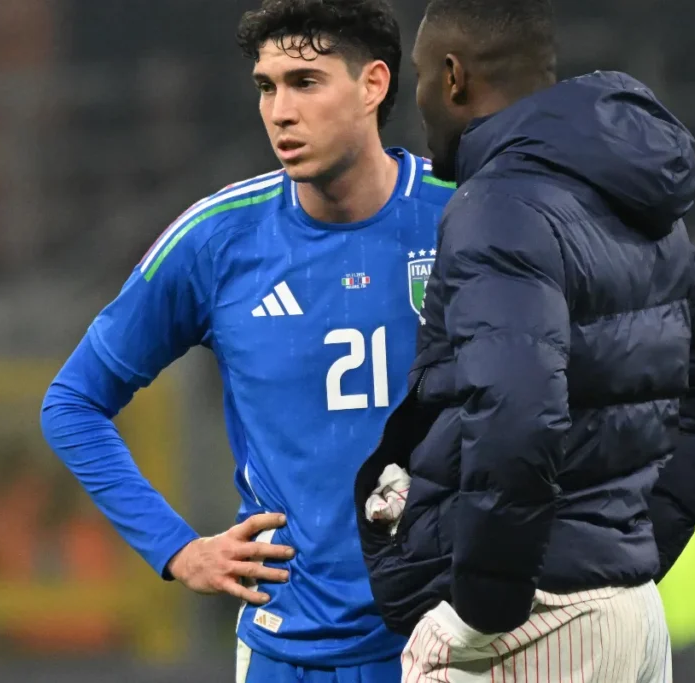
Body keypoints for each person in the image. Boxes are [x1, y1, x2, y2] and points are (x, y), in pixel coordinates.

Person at [353, 0, 695, 681]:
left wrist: (484, 607)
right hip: (630, 613)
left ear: (453, 77)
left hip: (531, 622)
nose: (417, 100)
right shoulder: (626, 194)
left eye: (421, 76)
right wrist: (629, 547)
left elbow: (516, 412)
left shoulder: (498, 204)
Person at [40, 0, 455, 680]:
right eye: (267, 86)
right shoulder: (218, 239)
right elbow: (72, 403)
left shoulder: (463, 210)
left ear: (373, 85)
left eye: (306, 82)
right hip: (287, 650)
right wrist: (176, 548)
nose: (280, 111)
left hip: (450, 643)